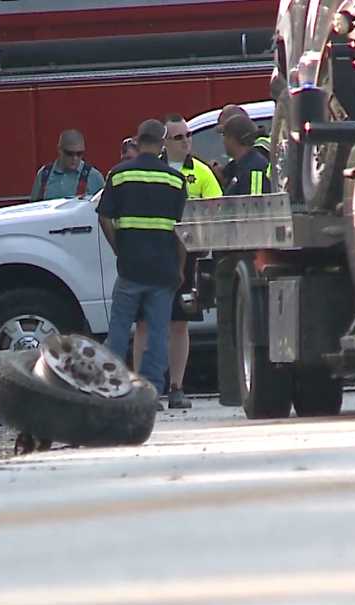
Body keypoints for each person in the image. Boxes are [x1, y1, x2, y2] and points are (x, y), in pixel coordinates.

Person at [131, 114, 222, 409]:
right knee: (145, 324)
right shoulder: (151, 169)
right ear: (163, 143)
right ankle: (145, 388)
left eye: (188, 136)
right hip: (152, 255)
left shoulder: (201, 172)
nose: (186, 142)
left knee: (179, 324)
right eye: (179, 137)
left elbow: (214, 208)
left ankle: (177, 387)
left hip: (186, 257)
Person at [98, 119, 188, 405]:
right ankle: (151, 395)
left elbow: (104, 217)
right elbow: (181, 232)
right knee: (159, 333)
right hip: (163, 269)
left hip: (131, 266)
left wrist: (119, 249)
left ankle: (111, 391)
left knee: (119, 330)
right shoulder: (175, 180)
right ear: (162, 144)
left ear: (137, 141)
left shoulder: (119, 175)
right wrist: (181, 268)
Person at [31, 129, 105, 202]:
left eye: (79, 154)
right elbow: (34, 207)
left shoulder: (94, 177)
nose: (75, 158)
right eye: (69, 153)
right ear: (59, 150)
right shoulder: (44, 175)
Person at [220, 114, 272, 197]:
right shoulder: (238, 167)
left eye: (225, 136)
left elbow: (256, 205)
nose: (223, 141)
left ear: (233, 139)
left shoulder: (255, 169)